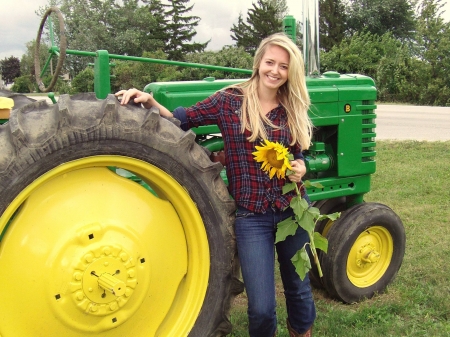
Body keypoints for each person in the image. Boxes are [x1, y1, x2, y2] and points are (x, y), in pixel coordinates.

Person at [116, 33, 315, 337]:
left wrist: (302, 167)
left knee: (299, 292)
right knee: (260, 308)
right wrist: (150, 102)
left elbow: (299, 152)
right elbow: (183, 120)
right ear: (259, 62)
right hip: (251, 217)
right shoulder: (230, 101)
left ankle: (301, 331)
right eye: (270, 62)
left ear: (292, 72)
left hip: (293, 210)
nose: (275, 70)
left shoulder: (291, 106)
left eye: (284, 66)